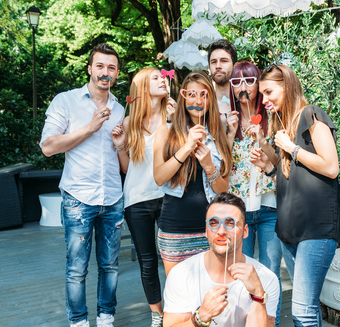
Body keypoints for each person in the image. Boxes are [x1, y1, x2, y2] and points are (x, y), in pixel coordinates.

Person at [250, 64, 340, 327]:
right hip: (289, 230)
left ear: (287, 86)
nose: (265, 100)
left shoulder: (311, 115)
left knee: (302, 311)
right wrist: (268, 165)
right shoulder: (284, 125)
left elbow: (331, 167)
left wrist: (291, 148)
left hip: (316, 228)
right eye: (262, 95)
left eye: (269, 92)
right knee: (308, 309)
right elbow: (290, 176)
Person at [40, 43, 125, 327]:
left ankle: (106, 318)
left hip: (113, 197)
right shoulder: (66, 101)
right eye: (100, 66)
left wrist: (121, 145)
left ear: (116, 73)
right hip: (78, 198)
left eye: (111, 68)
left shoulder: (120, 108)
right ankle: (78, 321)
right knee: (77, 268)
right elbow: (48, 147)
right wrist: (90, 127)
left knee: (110, 266)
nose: (105, 72)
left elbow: (123, 157)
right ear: (90, 69)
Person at [111, 67, 176, 327]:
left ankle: (176, 308)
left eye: (163, 77)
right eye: (155, 78)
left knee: (174, 258)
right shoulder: (129, 123)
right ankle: (157, 314)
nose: (163, 80)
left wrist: (173, 122)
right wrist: (119, 147)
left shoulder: (173, 116)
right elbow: (127, 168)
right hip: (137, 199)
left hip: (169, 196)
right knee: (148, 262)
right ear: (141, 87)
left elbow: (178, 158)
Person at [153, 71, 233, 276]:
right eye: (192, 94)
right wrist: (187, 147)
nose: (198, 100)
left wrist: (209, 166)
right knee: (177, 295)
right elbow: (159, 177)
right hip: (174, 229)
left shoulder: (218, 135)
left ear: (210, 100)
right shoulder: (166, 132)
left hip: (210, 228)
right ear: (184, 96)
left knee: (210, 293)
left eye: (203, 95)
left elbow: (223, 189)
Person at [162, 192, 279, 327]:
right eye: (214, 222)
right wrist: (202, 316)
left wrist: (258, 295)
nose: (221, 231)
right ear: (206, 230)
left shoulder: (266, 278)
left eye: (230, 223)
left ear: (245, 231)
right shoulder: (181, 274)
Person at [227, 61, 283, 326]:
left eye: (249, 81)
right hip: (240, 210)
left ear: (258, 84)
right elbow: (222, 166)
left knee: (270, 271)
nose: (243, 87)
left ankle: (272, 322)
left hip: (269, 206)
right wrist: (228, 134)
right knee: (241, 272)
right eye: (236, 82)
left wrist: (261, 138)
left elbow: (277, 161)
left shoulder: (272, 117)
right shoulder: (228, 119)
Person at [208, 39, 238, 129]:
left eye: (224, 61)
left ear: (235, 66)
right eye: (213, 62)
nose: (218, 66)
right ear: (209, 68)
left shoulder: (244, 102)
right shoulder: (204, 104)